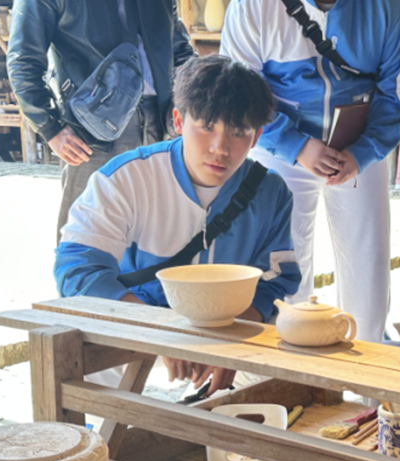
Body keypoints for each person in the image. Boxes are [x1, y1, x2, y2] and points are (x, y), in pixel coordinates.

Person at [54, 55, 301, 395]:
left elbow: (274, 281)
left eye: (238, 131)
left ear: (256, 136)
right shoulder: (125, 178)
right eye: (207, 126)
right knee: (97, 378)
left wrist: (232, 342)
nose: (220, 148)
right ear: (178, 120)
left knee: (284, 382)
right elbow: (76, 270)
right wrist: (160, 332)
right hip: (137, 329)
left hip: (230, 333)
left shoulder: (271, 193)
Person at [220, 0, 400, 342]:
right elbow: (240, 88)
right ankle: (291, 370)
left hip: (360, 144)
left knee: (368, 263)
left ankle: (368, 377)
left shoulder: (388, 7)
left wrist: (364, 151)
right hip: (278, 147)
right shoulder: (253, 6)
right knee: (284, 261)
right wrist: (295, 145)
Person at [7, 0, 195, 242]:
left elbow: (181, 51)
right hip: (90, 131)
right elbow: (22, 60)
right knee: (86, 236)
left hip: (162, 124)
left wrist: (188, 104)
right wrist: (50, 126)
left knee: (153, 238)